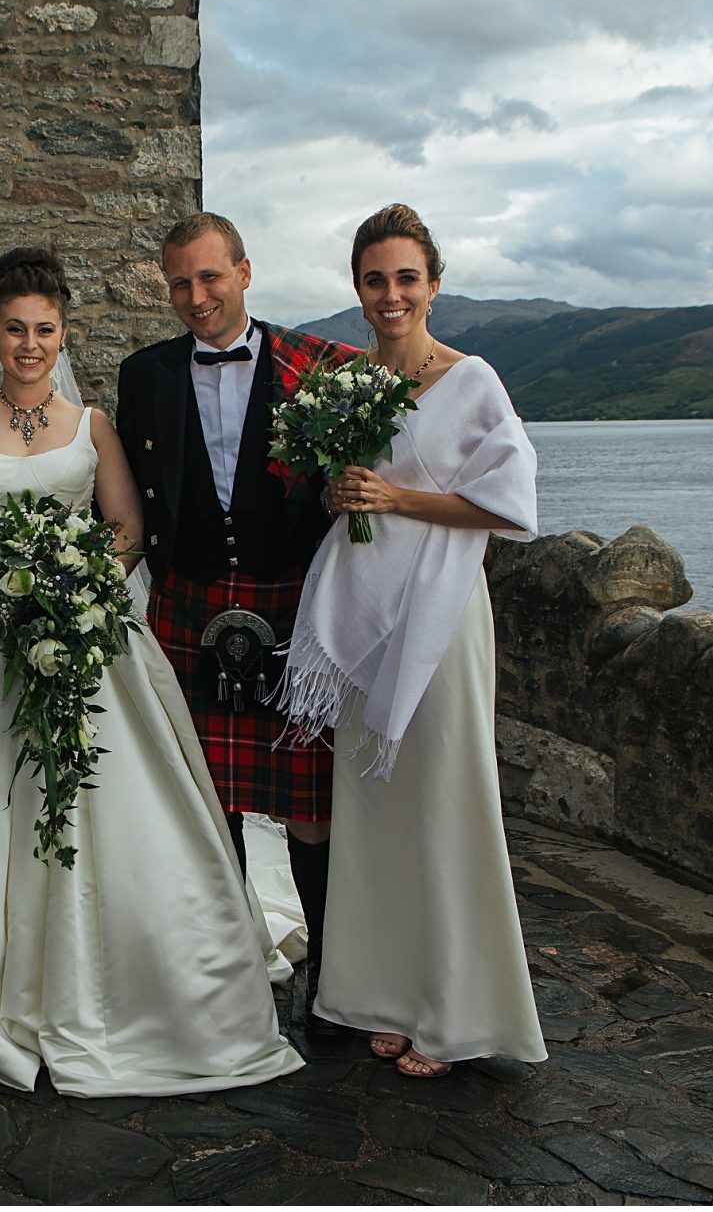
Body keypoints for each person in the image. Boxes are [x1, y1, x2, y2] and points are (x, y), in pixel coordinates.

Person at [0, 247, 303, 1097]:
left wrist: (70, 587)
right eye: (15, 330)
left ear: (64, 335)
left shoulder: (92, 423)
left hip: (82, 628)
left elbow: (126, 527)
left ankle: (119, 981)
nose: (30, 345)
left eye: (44, 330)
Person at [282, 203, 546, 1078]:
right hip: (366, 620)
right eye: (374, 279)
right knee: (376, 811)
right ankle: (387, 992)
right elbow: (351, 490)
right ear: (357, 288)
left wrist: (394, 501)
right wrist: (344, 499)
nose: (390, 294)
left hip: (441, 620)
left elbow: (506, 508)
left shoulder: (474, 381)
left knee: (442, 802)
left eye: (406, 277)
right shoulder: (349, 381)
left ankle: (455, 1009)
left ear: (433, 284)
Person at [114, 212, 359, 1038]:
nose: (196, 297)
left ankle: (329, 967)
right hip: (189, 602)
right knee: (207, 796)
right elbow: (128, 496)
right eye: (180, 283)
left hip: (293, 600)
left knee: (309, 801)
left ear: (245, 273)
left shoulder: (316, 366)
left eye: (210, 278)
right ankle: (226, 964)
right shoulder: (142, 374)